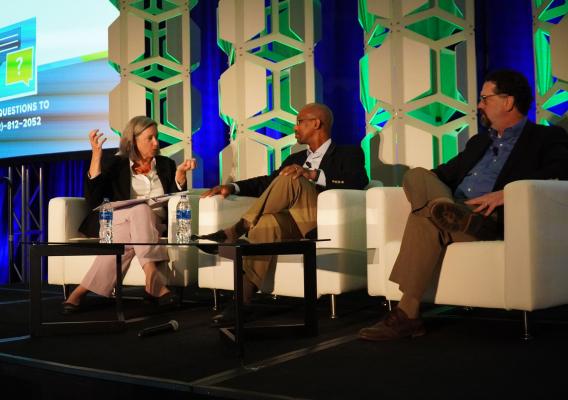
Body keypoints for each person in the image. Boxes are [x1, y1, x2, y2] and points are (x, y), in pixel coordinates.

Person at [359, 69, 568, 341]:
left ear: (508, 101)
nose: (479, 104)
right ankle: (446, 211)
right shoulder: (479, 141)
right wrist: (436, 196)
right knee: (417, 175)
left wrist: (507, 194)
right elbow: (442, 173)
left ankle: (408, 315)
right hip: (458, 213)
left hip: (489, 219)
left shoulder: (544, 137)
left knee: (424, 219)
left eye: (485, 98)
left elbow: (562, 172)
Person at [198, 102, 369, 326]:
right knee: (266, 223)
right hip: (295, 224)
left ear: (316, 123)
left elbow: (358, 181)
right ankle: (242, 302)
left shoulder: (349, 152)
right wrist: (233, 187)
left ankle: (237, 229)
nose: (294, 128)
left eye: (299, 122)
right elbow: (267, 184)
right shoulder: (294, 158)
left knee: (291, 177)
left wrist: (312, 174)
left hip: (323, 221)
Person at [62, 116, 196, 313]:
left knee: (130, 230)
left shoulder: (166, 164)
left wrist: (180, 179)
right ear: (133, 141)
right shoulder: (116, 164)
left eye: (156, 137)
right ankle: (153, 279)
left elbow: (176, 199)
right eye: (149, 138)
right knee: (139, 209)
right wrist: (96, 156)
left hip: (154, 223)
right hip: (116, 219)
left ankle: (79, 292)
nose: (156, 143)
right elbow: (93, 199)